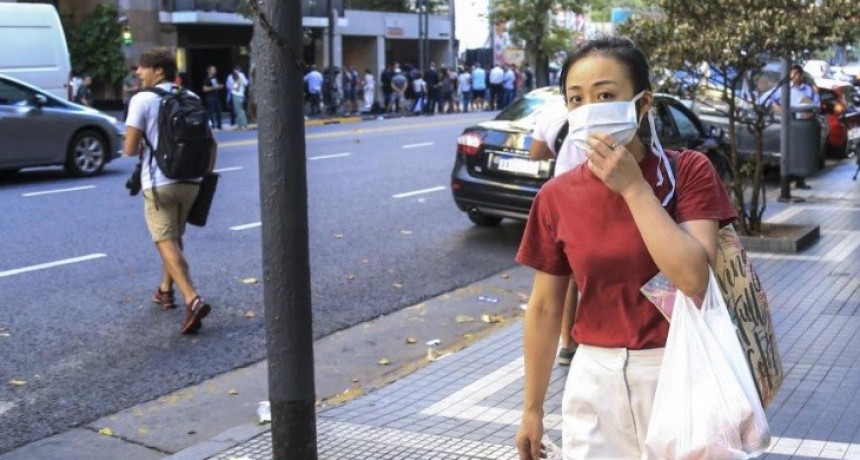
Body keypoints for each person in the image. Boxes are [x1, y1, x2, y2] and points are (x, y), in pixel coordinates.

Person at [515, 37, 737, 459]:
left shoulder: (687, 171)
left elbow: (694, 278)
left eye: (605, 95)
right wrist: (531, 409)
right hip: (593, 381)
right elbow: (544, 307)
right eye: (576, 98)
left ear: (641, 102)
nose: (589, 108)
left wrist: (634, 188)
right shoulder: (557, 195)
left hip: (680, 370)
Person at [123, 47, 217, 335]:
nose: (138, 72)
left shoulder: (142, 100)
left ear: (158, 70)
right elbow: (211, 144)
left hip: (160, 183)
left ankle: (192, 298)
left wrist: (139, 143)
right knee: (175, 238)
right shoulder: (191, 98)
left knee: (164, 240)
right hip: (192, 182)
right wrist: (204, 177)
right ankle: (165, 290)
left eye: (142, 67)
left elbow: (128, 149)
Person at [527, 100, 589, 366]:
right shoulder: (614, 107)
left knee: (565, 273)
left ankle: (569, 343)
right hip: (598, 187)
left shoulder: (549, 109)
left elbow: (535, 152)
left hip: (564, 189)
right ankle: (575, 339)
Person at [769, 64, 818, 191]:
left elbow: (816, 105)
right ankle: (787, 179)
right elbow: (770, 100)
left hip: (803, 124)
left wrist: (810, 112)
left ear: (801, 75)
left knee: (800, 152)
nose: (793, 76)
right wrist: (778, 109)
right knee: (789, 151)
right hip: (789, 123)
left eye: (796, 74)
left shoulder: (808, 90)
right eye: (791, 74)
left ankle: (800, 180)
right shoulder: (784, 89)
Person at [202, 66, 223, 130]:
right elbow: (204, 89)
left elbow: (216, 86)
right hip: (210, 97)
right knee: (211, 112)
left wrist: (219, 86)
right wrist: (213, 87)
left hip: (216, 96)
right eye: (213, 69)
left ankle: (219, 125)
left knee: (219, 111)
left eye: (215, 69)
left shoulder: (215, 78)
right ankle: (212, 125)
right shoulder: (206, 79)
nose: (215, 71)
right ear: (209, 71)